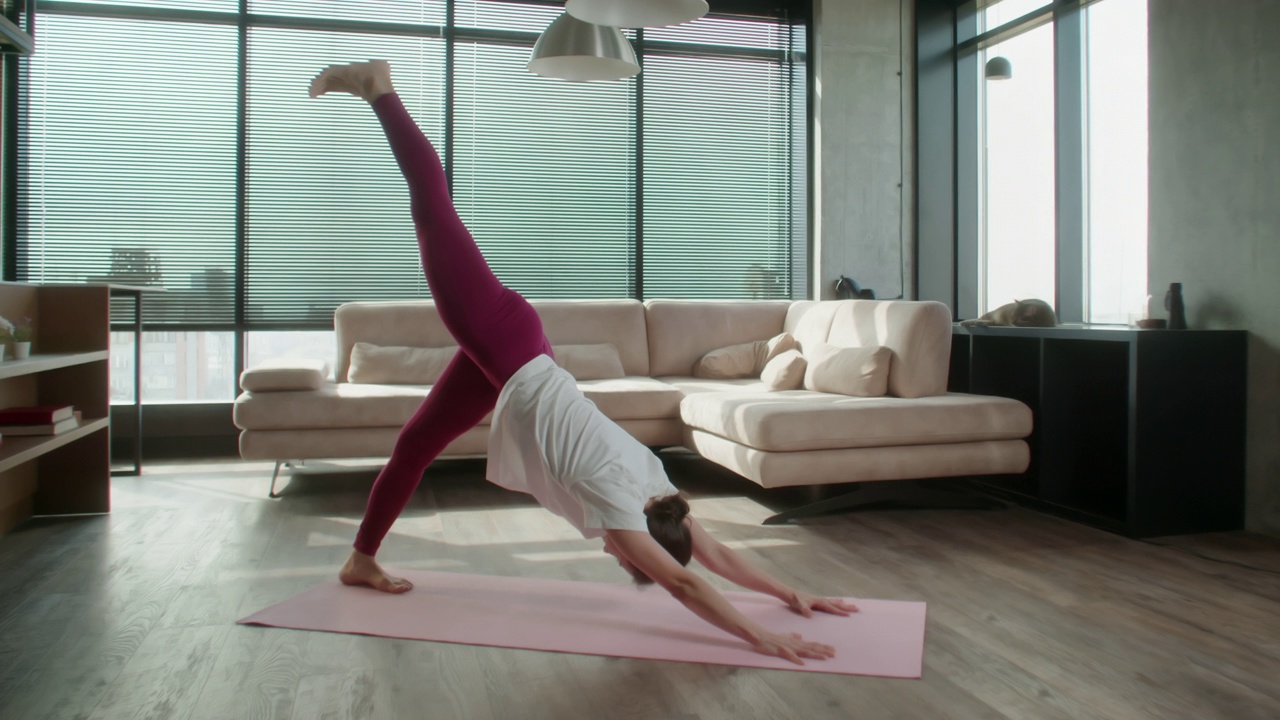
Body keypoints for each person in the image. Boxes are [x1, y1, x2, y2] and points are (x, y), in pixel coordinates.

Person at [309, 61, 856, 665]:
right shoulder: (621, 505)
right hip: (508, 348)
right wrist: (762, 636)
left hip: (518, 359)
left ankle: (361, 558)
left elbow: (714, 556)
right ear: (639, 539)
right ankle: (378, 88)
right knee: (433, 214)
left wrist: (790, 592)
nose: (615, 557)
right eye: (627, 561)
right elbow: (684, 581)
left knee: (414, 445)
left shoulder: (657, 489)